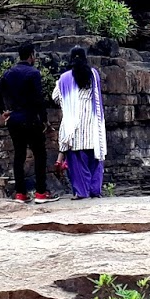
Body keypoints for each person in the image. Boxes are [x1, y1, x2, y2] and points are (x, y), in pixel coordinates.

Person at [0, 42, 52, 203]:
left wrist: (3, 111)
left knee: (19, 155)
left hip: (14, 118)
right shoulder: (33, 73)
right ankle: (41, 192)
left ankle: (20, 193)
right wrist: (45, 120)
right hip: (31, 118)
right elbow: (39, 99)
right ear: (31, 55)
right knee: (40, 154)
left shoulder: (9, 73)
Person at [54, 44, 107, 199]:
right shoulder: (93, 74)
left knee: (77, 160)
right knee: (95, 159)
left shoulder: (64, 78)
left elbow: (55, 97)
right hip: (92, 123)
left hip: (74, 125)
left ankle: (82, 192)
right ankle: (95, 190)